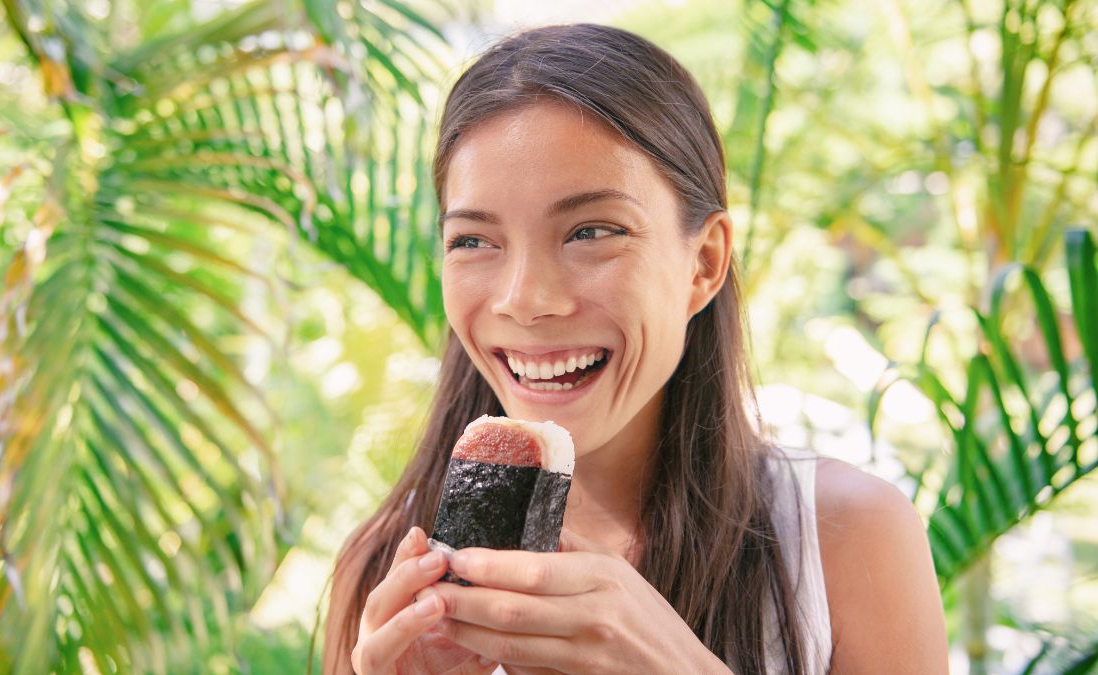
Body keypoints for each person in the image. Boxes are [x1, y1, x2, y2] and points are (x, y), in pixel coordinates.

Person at [324, 23, 948, 675]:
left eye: (591, 231)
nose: (526, 299)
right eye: (474, 240)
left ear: (703, 263)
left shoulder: (847, 539)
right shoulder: (386, 579)